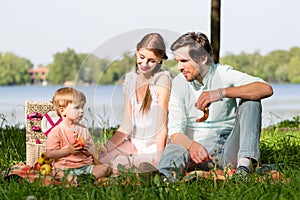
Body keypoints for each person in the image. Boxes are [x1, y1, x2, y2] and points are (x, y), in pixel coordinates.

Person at [158, 32, 273, 181]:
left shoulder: (223, 74)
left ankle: (243, 170)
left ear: (203, 58)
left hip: (227, 151)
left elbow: (265, 89)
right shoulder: (178, 84)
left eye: (184, 61)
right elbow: (175, 133)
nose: (179, 67)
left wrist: (221, 93)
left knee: (251, 101)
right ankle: (166, 181)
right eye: (177, 61)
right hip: (196, 154)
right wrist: (192, 146)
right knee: (174, 146)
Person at [99, 33, 171, 174]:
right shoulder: (130, 80)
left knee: (118, 163)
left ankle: (146, 171)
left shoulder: (162, 80)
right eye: (142, 57)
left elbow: (161, 126)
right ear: (137, 52)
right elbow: (126, 125)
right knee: (102, 160)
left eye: (151, 60)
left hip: (154, 146)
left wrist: (160, 156)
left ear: (160, 60)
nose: (144, 64)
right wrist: (106, 148)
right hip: (135, 144)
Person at [46, 87, 110, 184]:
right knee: (55, 172)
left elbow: (92, 152)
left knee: (106, 168)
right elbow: (50, 154)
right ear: (62, 111)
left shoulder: (84, 130)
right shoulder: (56, 131)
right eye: (77, 108)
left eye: (82, 107)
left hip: (85, 167)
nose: (81, 111)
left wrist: (88, 150)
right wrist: (68, 150)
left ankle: (84, 179)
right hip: (64, 168)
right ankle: (77, 180)